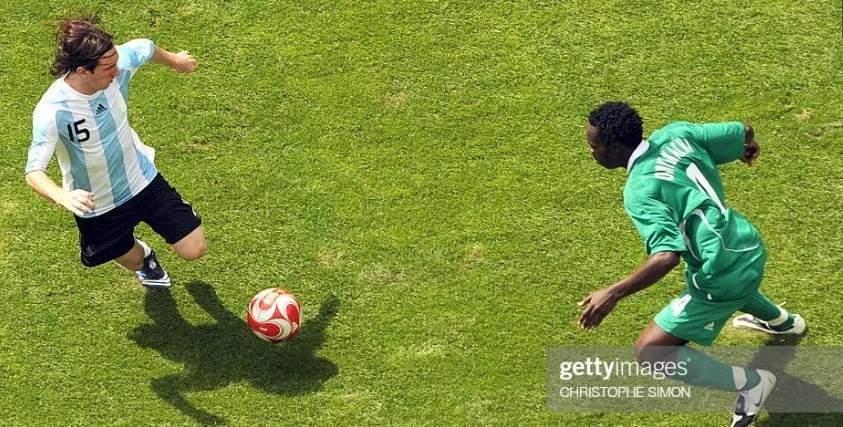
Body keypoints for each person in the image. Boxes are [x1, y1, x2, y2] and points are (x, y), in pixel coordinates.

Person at [577, 101, 806, 426]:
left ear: (614, 148)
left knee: (650, 352)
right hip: (746, 244)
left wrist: (612, 293)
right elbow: (744, 131)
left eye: (594, 146)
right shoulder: (676, 133)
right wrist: (745, 147)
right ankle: (785, 322)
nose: (592, 153)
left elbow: (666, 256)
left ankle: (753, 385)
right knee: (729, 284)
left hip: (719, 271)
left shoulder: (640, 190)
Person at [25, 18, 207, 289]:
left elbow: (145, 47)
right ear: (82, 71)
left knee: (194, 249)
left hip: (141, 179)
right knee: (132, 260)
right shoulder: (53, 111)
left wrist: (176, 62)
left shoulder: (117, 63)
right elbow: (34, 171)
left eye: (116, 62)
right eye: (108, 68)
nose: (116, 71)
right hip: (97, 204)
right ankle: (145, 258)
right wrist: (62, 196)